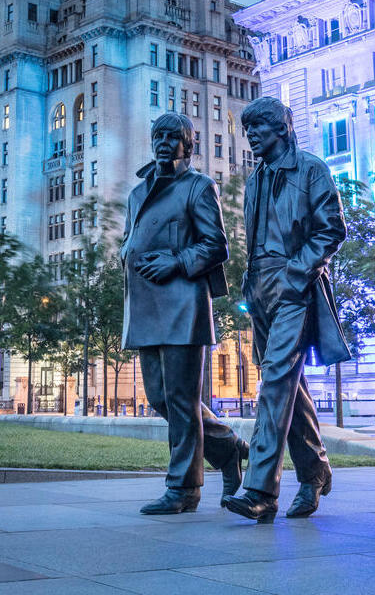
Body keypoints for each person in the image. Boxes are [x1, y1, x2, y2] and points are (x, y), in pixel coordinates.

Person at [224, 97, 349, 523]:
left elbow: (331, 228)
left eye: (259, 126)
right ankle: (314, 471)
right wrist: (251, 282)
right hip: (259, 287)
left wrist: (296, 272)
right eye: (248, 128)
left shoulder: (310, 169)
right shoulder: (255, 179)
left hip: (295, 285)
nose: (252, 134)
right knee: (287, 385)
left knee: (276, 381)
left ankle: (260, 490)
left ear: (281, 127)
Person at [121, 112, 248, 515]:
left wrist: (175, 261)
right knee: (161, 397)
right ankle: (228, 449)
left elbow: (216, 246)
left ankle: (183, 489)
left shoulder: (199, 187)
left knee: (180, 399)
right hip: (144, 304)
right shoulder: (138, 193)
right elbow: (132, 237)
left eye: (172, 136)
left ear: (188, 145)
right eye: (157, 134)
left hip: (182, 305)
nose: (163, 142)